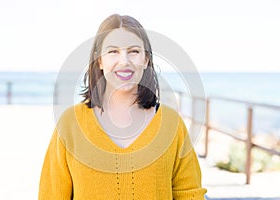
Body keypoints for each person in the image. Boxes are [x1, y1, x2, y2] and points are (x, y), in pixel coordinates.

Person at [39, 14, 207, 199]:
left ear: (146, 60)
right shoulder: (70, 124)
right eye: (113, 52)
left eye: (134, 51)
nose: (124, 61)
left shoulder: (172, 124)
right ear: (100, 61)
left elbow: (190, 193)